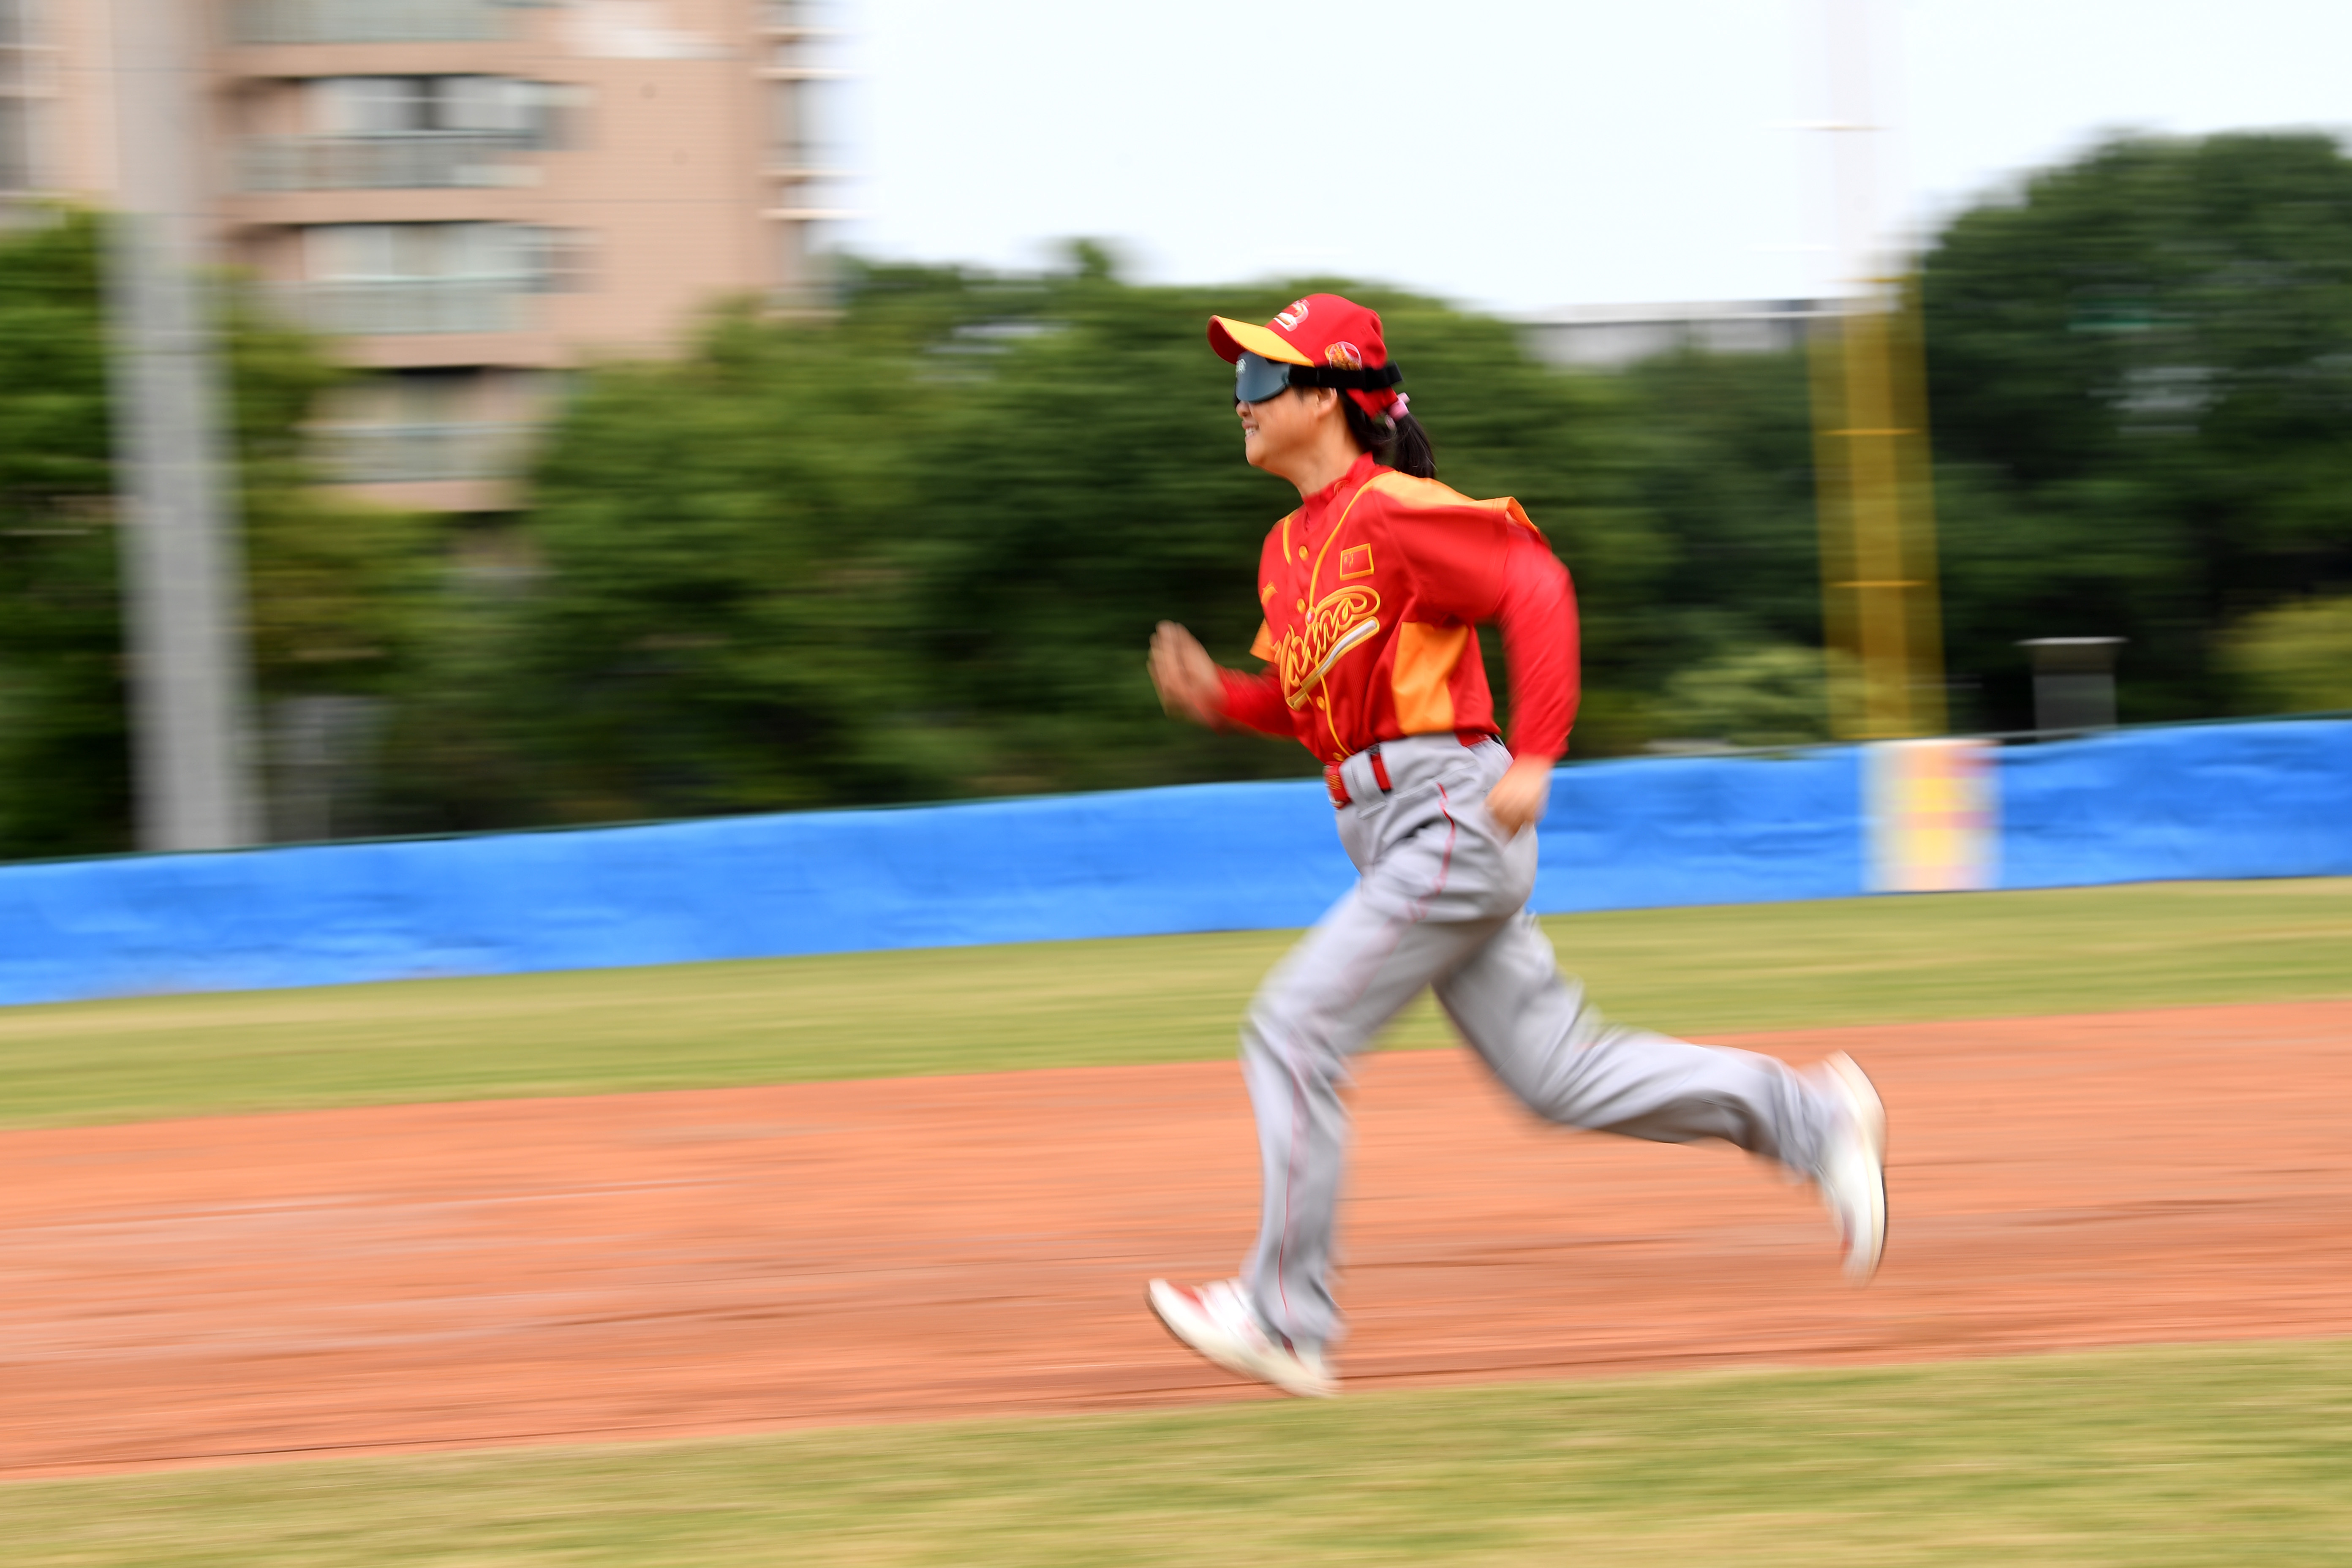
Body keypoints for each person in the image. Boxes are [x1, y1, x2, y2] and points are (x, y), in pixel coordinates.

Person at [1143, 293, 1886, 1399]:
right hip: (1388, 824)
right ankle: (1810, 1115)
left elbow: (1536, 584)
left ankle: (1290, 1320)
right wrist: (1227, 703)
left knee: (1295, 1029)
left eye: (1262, 379)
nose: (1240, 399)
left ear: (1332, 397)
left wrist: (1538, 751)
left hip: (1449, 815)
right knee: (1557, 1076)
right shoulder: (1288, 549)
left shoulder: (1395, 508)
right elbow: (1318, 710)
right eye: (1241, 379)